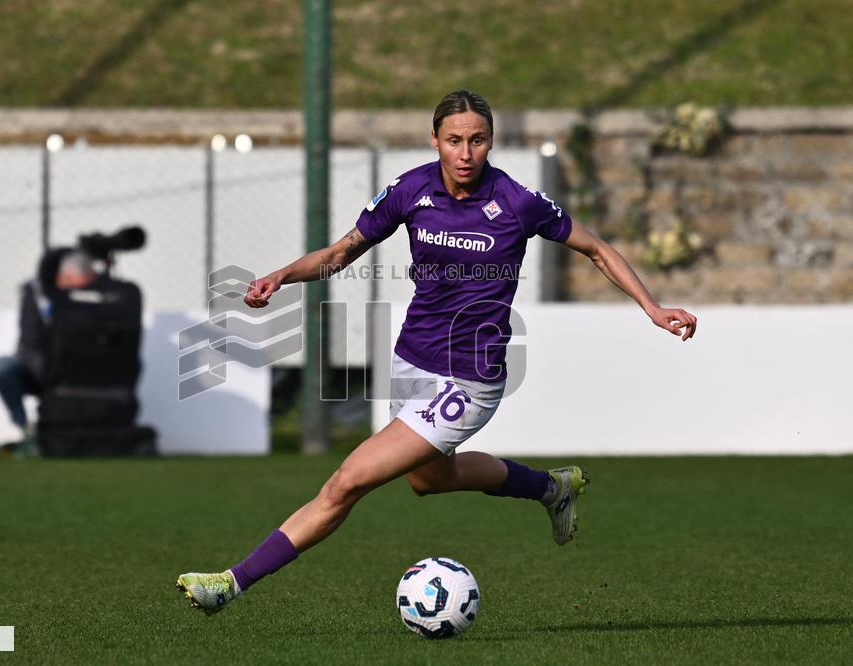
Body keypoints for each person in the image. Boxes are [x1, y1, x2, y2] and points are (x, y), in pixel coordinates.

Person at [176, 90, 698, 615]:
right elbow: (340, 253)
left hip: (468, 381)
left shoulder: (517, 202)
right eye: (454, 141)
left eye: (478, 140)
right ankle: (550, 487)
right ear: (435, 141)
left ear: (491, 142)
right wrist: (283, 276)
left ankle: (230, 583)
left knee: (346, 482)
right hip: (411, 360)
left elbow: (597, 249)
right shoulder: (411, 189)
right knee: (430, 480)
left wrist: (652, 308)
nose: (466, 152)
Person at [0, 249, 100, 451]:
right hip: (42, 372)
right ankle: (26, 430)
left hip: (78, 373)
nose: (87, 284)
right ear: (66, 276)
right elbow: (31, 345)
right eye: (84, 279)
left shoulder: (93, 298)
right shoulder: (37, 296)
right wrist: (53, 376)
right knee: (2, 367)